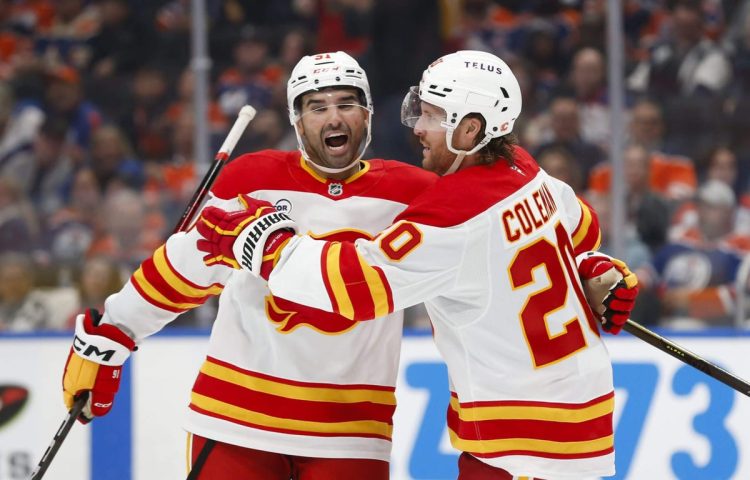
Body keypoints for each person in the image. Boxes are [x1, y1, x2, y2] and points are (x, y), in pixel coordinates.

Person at [194, 50, 640, 479]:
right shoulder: (524, 169)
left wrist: (263, 241)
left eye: (431, 116)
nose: (418, 129)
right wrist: (590, 268)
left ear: (469, 130)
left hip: (526, 437)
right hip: (564, 415)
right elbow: (579, 227)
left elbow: (354, 287)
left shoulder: (453, 216)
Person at [60, 51, 437, 479]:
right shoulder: (253, 180)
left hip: (350, 431)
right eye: (317, 107)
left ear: (367, 114)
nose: (334, 117)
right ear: (297, 122)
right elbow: (184, 267)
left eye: (347, 103)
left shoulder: (416, 194)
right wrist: (112, 334)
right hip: (236, 419)